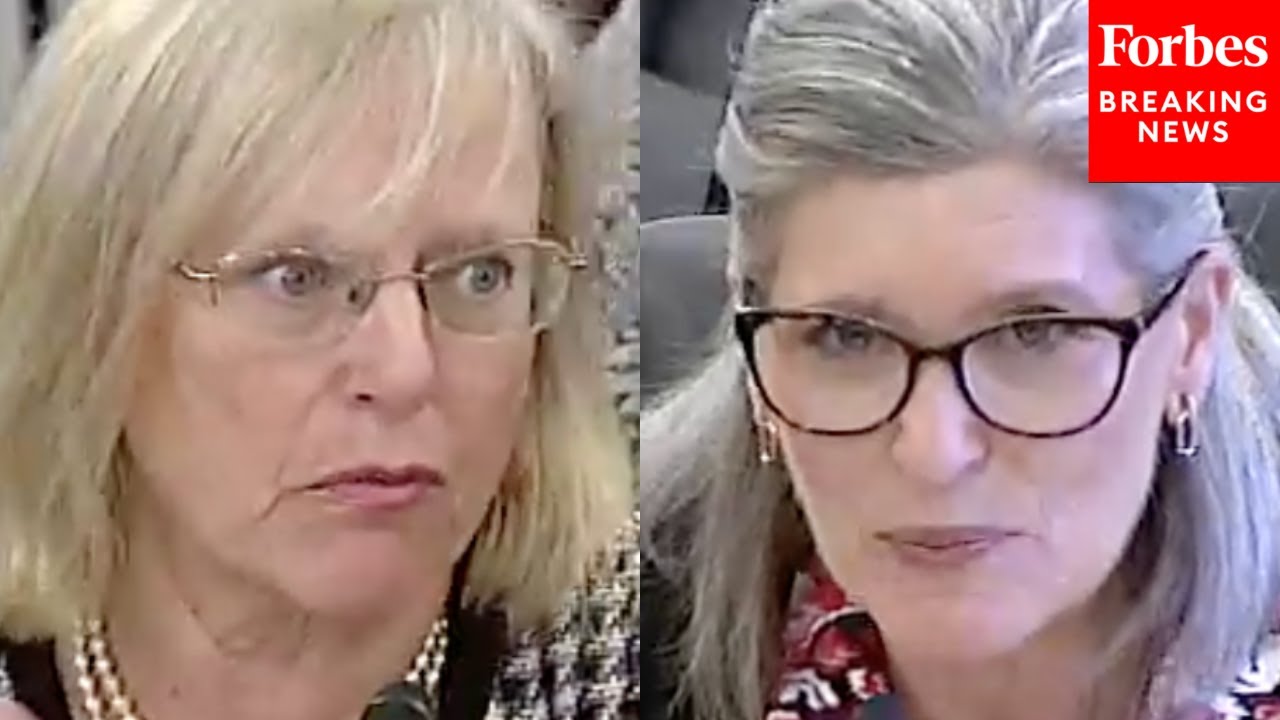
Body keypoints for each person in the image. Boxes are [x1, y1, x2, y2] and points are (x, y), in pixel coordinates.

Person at [640, 0, 1280, 719]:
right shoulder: (619, 625)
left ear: (1192, 333)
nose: (935, 453)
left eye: (1036, 334)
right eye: (847, 337)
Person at [0, 0, 637, 718]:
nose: (405, 371)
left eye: (480, 275)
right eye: (296, 278)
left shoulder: (637, 650)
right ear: (93, 314)